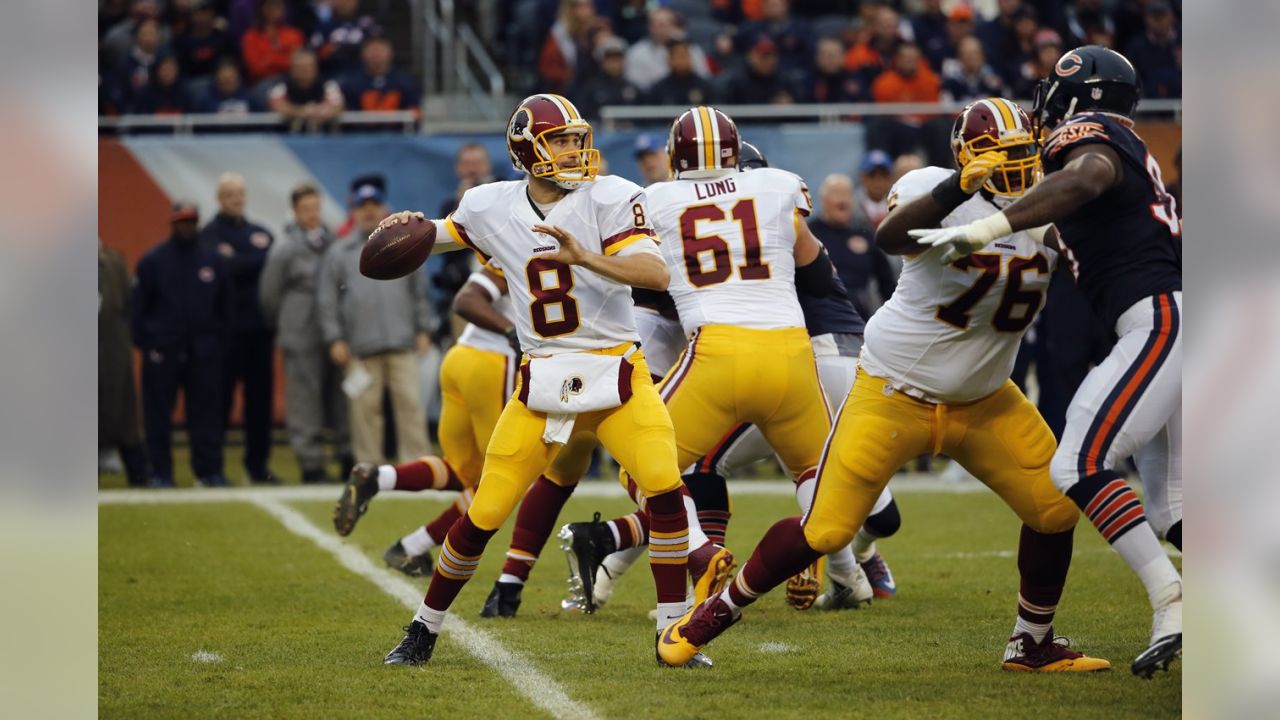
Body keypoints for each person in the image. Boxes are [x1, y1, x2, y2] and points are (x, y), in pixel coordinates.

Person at [659, 98, 1112, 676]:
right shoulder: (933, 189)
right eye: (999, 157)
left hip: (987, 400)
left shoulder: (1051, 206)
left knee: (1053, 509)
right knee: (824, 529)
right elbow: (893, 237)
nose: (1015, 168)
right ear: (966, 160)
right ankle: (704, 621)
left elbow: (1091, 255)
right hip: (893, 391)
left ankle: (1031, 642)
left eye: (1023, 154)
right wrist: (956, 189)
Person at [376, 94, 691, 668]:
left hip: (617, 370)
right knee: (484, 513)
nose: (575, 150)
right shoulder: (490, 205)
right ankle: (423, 629)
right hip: (542, 379)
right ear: (526, 148)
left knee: (665, 488)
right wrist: (404, 227)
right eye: (561, 140)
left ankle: (675, 632)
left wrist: (586, 258)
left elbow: (655, 271)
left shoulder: (614, 196)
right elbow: (436, 235)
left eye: (577, 138)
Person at [908, 46, 1183, 678]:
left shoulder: (1087, 139)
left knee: (1078, 463)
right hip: (1170, 316)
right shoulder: (1129, 146)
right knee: (1171, 507)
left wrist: (984, 228)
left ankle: (1173, 601)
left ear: (1077, 95)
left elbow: (1086, 177)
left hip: (1158, 320)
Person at [581, 106, 839, 632]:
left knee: (640, 465)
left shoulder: (655, 199)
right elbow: (818, 271)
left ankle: (701, 552)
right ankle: (810, 554)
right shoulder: (778, 185)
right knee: (820, 476)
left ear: (676, 157)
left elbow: (641, 273)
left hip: (717, 353)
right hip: (791, 353)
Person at [332, 269, 595, 612]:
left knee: (463, 470)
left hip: (458, 359)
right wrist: (508, 330)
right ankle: (413, 546)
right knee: (501, 477)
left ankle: (379, 480)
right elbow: (466, 299)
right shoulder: (526, 245)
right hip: (491, 363)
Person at [317, 175, 433, 467]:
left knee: (410, 405)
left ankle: (417, 466)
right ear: (352, 210)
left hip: (402, 340)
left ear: (383, 208)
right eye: (362, 205)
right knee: (364, 411)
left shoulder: (403, 243)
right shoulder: (338, 252)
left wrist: (423, 328)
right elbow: (327, 300)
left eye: (374, 204)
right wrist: (334, 338)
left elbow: (418, 290)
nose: (368, 210)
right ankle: (369, 468)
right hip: (360, 345)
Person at [132, 202, 232, 488]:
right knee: (158, 415)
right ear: (172, 223)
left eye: (191, 221)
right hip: (164, 351)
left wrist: (216, 344)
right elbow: (138, 310)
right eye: (181, 221)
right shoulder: (153, 261)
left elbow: (226, 309)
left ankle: (209, 471)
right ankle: (160, 472)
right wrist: (149, 344)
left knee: (206, 414)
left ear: (197, 223)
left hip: (204, 351)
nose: (186, 227)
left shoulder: (213, 260)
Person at [259, 184, 350, 484]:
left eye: (316, 208)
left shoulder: (334, 242)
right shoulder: (285, 248)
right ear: (295, 211)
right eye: (306, 209)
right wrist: (286, 325)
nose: (312, 215)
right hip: (300, 333)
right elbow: (269, 295)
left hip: (333, 333)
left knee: (341, 397)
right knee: (304, 400)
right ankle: (311, 464)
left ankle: (346, 455)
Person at [199, 172, 277, 485]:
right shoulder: (209, 234)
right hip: (225, 333)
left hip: (259, 330)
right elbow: (224, 267)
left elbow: (265, 263)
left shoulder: (259, 230)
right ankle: (213, 469)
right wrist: (251, 259)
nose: (236, 198)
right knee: (219, 402)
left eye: (240, 192)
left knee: (260, 403)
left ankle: (258, 467)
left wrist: (238, 260)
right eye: (230, 193)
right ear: (219, 197)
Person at [808, 173, 896, 318]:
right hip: (822, 316)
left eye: (847, 194)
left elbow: (886, 282)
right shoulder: (810, 233)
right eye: (836, 194)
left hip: (859, 316)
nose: (843, 200)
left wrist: (894, 316)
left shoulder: (864, 232)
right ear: (823, 200)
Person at [100, 242, 148, 488]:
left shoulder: (114, 263)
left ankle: (138, 473)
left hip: (112, 348)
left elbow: (130, 305)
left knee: (125, 410)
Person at [624, 6, 711, 92]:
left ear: (673, 25)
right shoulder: (637, 53)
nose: (658, 29)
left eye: (662, 25)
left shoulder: (691, 49)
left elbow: (703, 78)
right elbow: (636, 85)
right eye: (654, 25)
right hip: (652, 100)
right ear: (649, 27)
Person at [268, 48, 345, 133]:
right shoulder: (282, 85)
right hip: (285, 137)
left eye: (308, 67)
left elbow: (337, 105)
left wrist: (321, 112)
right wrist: (301, 112)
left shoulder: (327, 84)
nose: (305, 71)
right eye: (300, 67)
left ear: (316, 68)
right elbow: (277, 105)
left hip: (324, 137)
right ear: (292, 69)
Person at [570, 35, 641, 121]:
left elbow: (643, 119)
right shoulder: (590, 89)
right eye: (610, 59)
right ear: (602, 61)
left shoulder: (633, 89)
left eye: (618, 58)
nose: (614, 63)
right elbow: (582, 117)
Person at [339, 37, 420, 112]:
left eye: (380, 50)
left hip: (394, 127)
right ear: (363, 53)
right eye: (372, 50)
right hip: (360, 127)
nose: (376, 55)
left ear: (390, 52)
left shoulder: (405, 82)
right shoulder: (350, 84)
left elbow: (414, 111)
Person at [240, 0, 305, 85]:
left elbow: (297, 63)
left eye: (279, 4)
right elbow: (256, 68)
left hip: (291, 80)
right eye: (272, 4)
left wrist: (270, 59)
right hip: (263, 82)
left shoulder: (294, 34)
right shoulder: (250, 37)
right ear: (262, 8)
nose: (276, 8)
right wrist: (285, 59)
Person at [309, 0, 381, 76]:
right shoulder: (324, 27)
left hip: (364, 76)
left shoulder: (368, 24)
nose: (344, 3)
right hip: (331, 75)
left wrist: (341, 48)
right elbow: (315, 53)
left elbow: (377, 47)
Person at [718, 35, 795, 105]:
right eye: (765, 55)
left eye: (774, 55)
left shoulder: (785, 81)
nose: (772, 60)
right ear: (751, 56)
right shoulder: (736, 83)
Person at [644, 35, 713, 108]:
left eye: (686, 55)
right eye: (679, 56)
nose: (684, 60)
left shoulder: (704, 87)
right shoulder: (658, 89)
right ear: (669, 60)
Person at [173, 0, 231, 79]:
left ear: (212, 14)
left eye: (205, 11)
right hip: (189, 83)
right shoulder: (180, 41)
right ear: (191, 15)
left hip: (217, 82)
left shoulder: (222, 38)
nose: (202, 16)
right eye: (197, 12)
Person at [941, 36, 1006, 105]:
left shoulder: (993, 82)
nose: (971, 58)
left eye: (975, 53)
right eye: (967, 54)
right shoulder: (951, 83)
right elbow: (947, 110)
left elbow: (1003, 105)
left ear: (982, 56)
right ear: (959, 57)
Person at [191, 58, 255, 115]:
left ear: (238, 78)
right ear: (216, 79)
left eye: (231, 79)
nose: (228, 84)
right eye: (225, 80)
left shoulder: (250, 99)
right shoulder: (205, 102)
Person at [855, 150, 895, 230]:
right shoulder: (851, 209)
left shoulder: (898, 205)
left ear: (891, 178)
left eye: (884, 175)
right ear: (862, 178)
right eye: (872, 175)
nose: (878, 181)